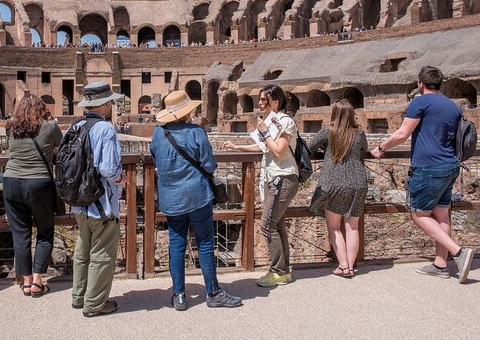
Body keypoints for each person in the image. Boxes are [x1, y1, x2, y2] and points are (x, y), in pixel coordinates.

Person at [371, 66, 475, 283]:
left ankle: (459, 252)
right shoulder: (452, 106)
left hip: (428, 167)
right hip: (450, 165)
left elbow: (403, 133)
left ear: (421, 83)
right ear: (440, 84)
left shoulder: (420, 102)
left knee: (418, 215)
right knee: (441, 214)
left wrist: (381, 148)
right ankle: (440, 264)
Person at [150, 91, 242, 311]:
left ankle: (179, 295)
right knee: (205, 242)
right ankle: (213, 292)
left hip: (171, 198)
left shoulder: (157, 134)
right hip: (198, 196)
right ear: (187, 111)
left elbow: (156, 160)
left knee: (176, 243)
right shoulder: (196, 132)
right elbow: (209, 165)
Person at [223, 85, 300, 287]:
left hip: (283, 178)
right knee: (278, 224)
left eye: (263, 100)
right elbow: (263, 147)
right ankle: (284, 271)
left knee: (267, 224)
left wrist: (265, 131)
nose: (259, 104)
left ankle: (277, 271)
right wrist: (237, 146)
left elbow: (279, 151)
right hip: (272, 178)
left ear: (275, 101)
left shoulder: (286, 122)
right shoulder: (270, 122)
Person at [71, 82, 125, 317]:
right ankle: (94, 304)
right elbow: (108, 168)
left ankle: (79, 296)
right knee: (102, 254)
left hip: (79, 201)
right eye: (110, 102)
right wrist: (121, 179)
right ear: (103, 105)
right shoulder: (105, 129)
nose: (112, 105)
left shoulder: (75, 126)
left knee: (83, 250)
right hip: (101, 203)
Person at [3, 95, 62, 297]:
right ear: (42, 109)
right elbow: (59, 148)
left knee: (20, 233)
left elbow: (10, 148)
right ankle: (38, 281)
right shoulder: (50, 126)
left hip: (11, 181)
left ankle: (26, 281)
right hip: (38, 183)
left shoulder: (10, 127)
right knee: (45, 232)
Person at [307, 100, 368, 278]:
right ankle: (350, 264)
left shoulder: (328, 131)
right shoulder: (359, 132)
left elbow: (309, 148)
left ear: (334, 113)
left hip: (334, 183)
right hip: (358, 182)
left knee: (334, 227)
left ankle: (343, 266)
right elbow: (365, 148)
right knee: (353, 227)